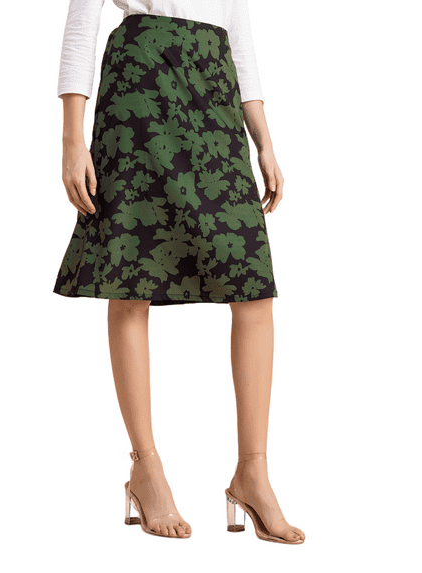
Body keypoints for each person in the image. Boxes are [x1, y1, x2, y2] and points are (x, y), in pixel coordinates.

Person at [53, 0, 305, 543]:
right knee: (131, 276)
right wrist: (72, 140)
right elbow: (81, 26)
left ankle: (253, 473)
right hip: (140, 89)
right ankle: (146, 469)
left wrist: (264, 142)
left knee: (252, 286)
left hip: (215, 92)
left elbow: (239, 38)